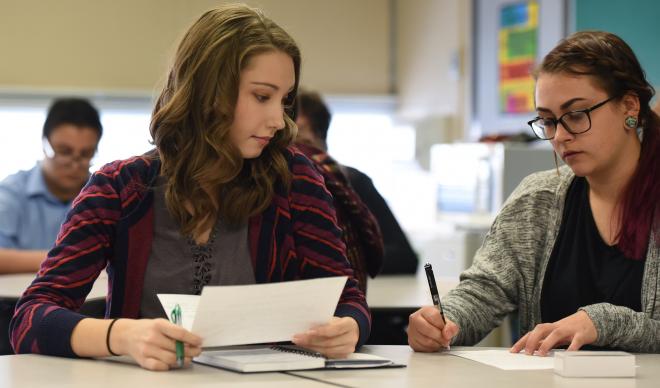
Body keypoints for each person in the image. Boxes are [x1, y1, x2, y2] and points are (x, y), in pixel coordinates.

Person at [10, 4, 370, 371]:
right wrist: (122, 336)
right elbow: (30, 318)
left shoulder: (294, 180)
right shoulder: (119, 188)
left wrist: (348, 327)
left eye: (284, 100)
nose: (279, 120)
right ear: (209, 92)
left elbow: (348, 301)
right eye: (262, 96)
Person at [407, 30, 659, 355]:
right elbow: (485, 291)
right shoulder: (537, 198)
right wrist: (442, 322)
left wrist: (603, 323)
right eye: (548, 121)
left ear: (630, 106)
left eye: (577, 115)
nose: (561, 136)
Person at [295, 91, 419, 275]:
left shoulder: (352, 182)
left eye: (299, 136)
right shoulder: (264, 188)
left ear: (319, 138)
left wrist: (335, 258)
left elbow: (404, 257)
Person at [0, 98, 102, 273]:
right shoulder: (12, 192)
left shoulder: (104, 196)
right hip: (17, 299)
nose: (74, 164)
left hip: (91, 300)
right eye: (64, 151)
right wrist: (70, 258)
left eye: (86, 154)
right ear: (44, 143)